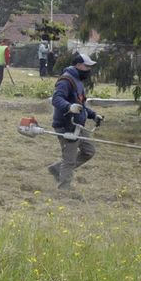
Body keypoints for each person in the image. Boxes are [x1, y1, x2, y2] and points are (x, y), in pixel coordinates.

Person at [48, 52, 103, 190]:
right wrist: (68, 106)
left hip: (78, 125)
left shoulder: (78, 80)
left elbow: (81, 105)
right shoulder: (65, 80)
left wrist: (93, 115)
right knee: (69, 160)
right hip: (67, 125)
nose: (89, 70)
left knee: (88, 151)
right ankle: (64, 189)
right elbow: (56, 99)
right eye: (87, 66)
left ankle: (56, 169)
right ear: (78, 65)